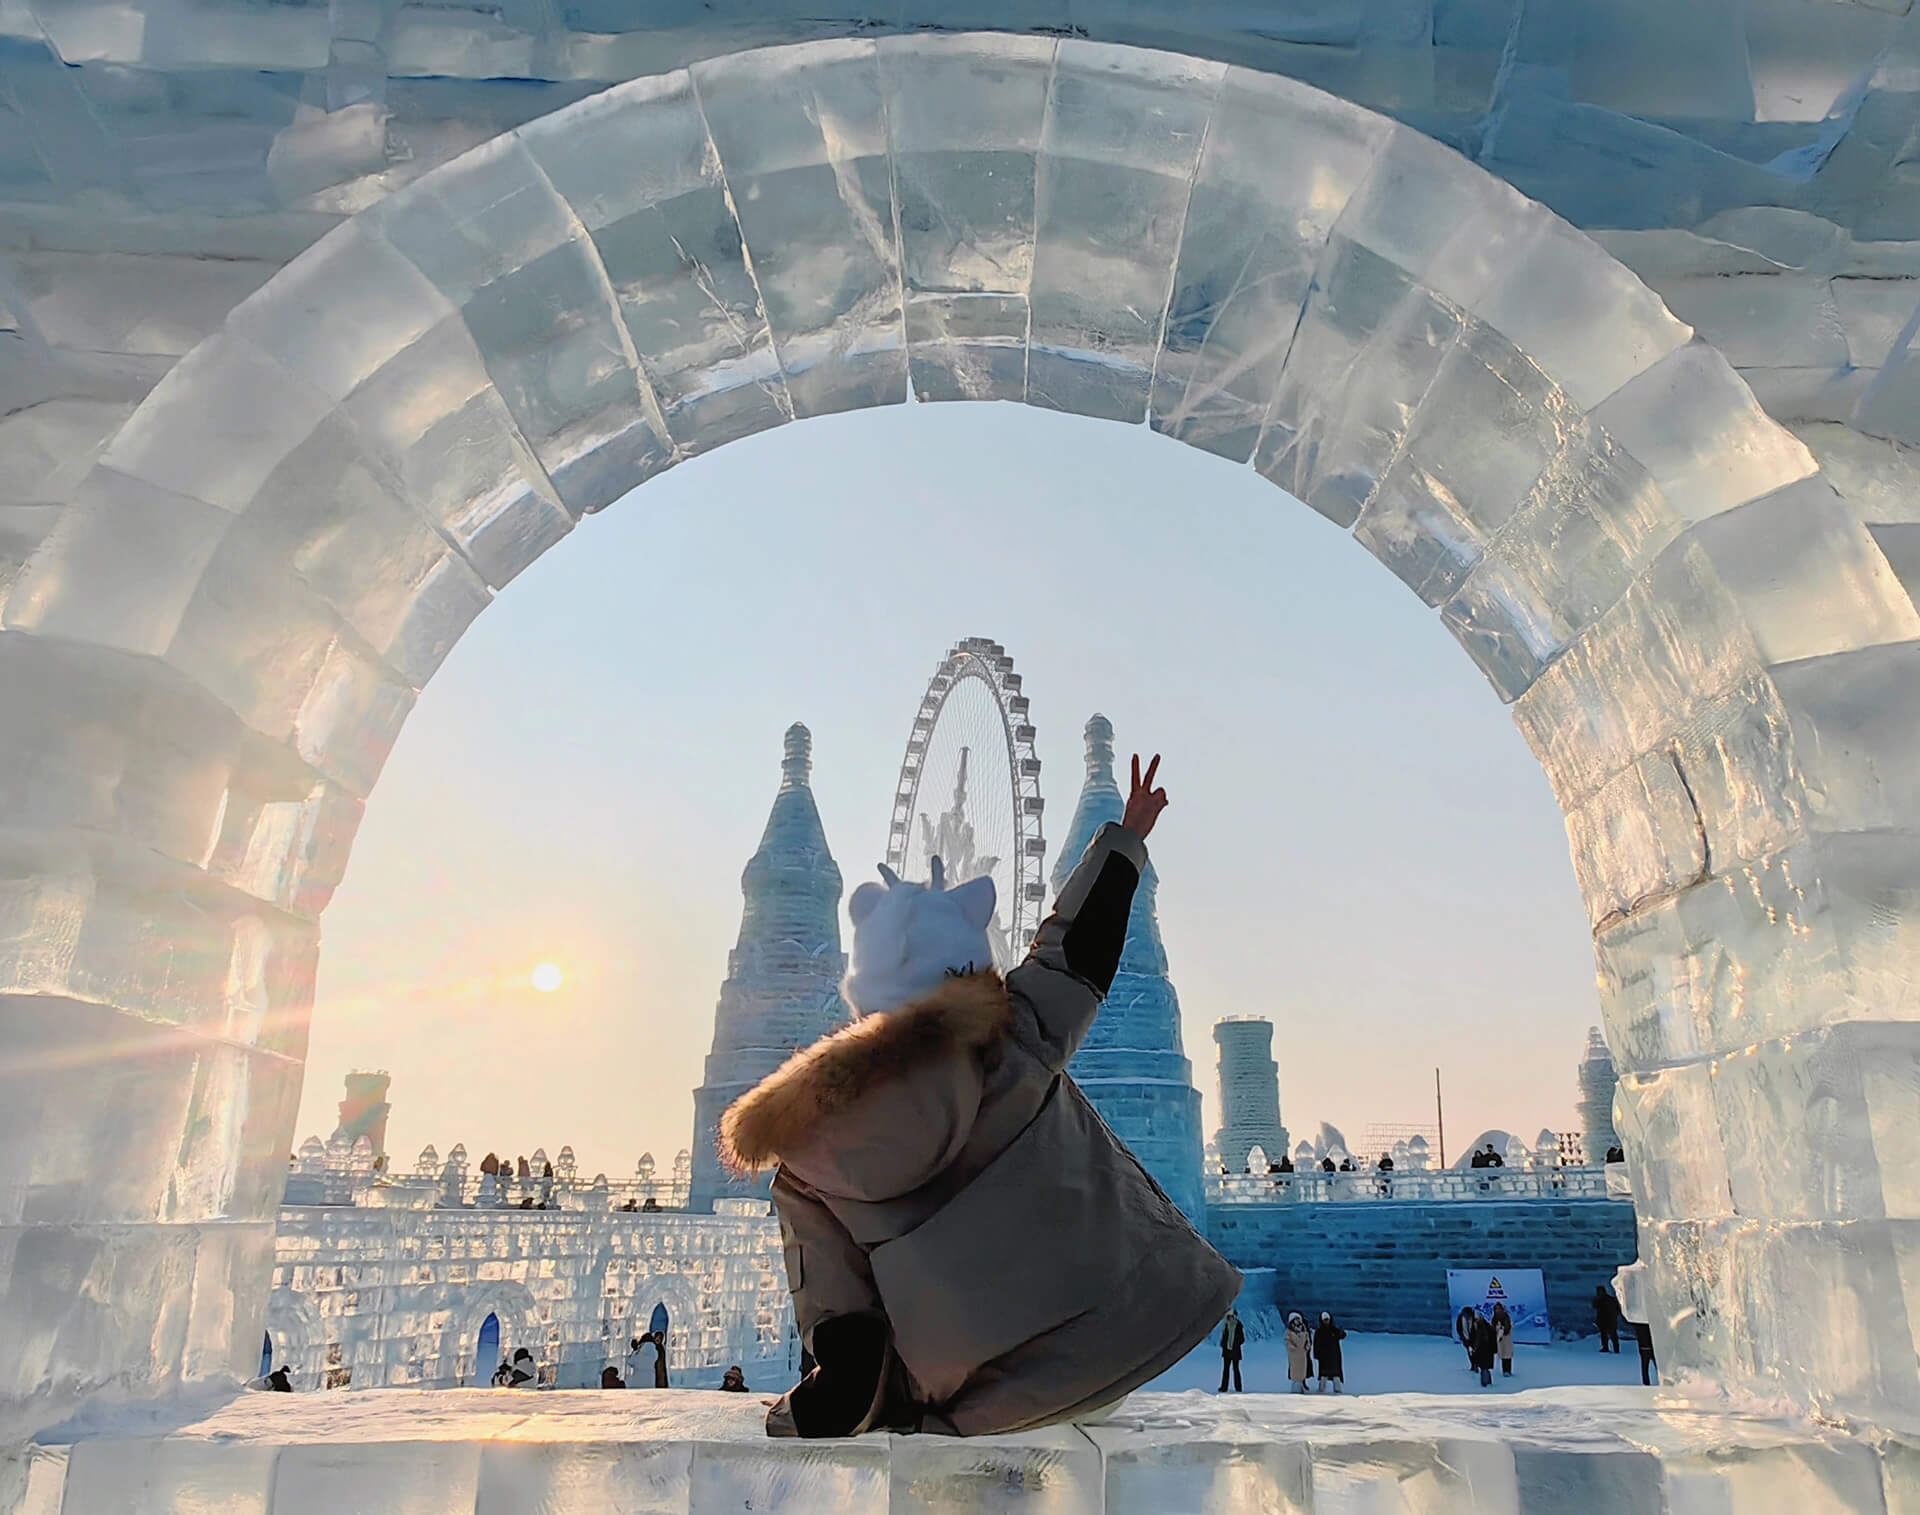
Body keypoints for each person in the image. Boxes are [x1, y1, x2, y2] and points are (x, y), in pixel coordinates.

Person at [719, 754, 1241, 1439]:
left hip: (981, 1397)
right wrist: (1124, 843)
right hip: (1114, 1333)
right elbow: (1075, 953)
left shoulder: (806, 1168)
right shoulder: (1013, 1035)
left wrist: (796, 1416)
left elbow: (849, 1344)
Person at [1313, 1312, 1345, 1393]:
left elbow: (1342, 1335)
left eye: (1327, 1319)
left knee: (1336, 1374)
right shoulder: (1319, 1331)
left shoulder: (1334, 1330)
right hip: (1324, 1356)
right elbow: (1316, 1343)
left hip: (1334, 1356)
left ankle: (1337, 1389)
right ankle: (1321, 1389)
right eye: (1325, 1320)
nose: (1326, 1321)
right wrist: (1316, 1354)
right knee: (1324, 1374)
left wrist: (1341, 1332)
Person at [1217, 1307, 1245, 1393]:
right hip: (1227, 1351)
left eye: (1229, 1316)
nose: (1228, 1318)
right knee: (1226, 1369)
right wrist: (1223, 1345)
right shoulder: (1226, 1325)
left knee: (1235, 1369)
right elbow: (1224, 1337)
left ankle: (1238, 1387)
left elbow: (1242, 1339)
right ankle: (1224, 1387)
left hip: (1235, 1351)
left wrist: (1235, 1344)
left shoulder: (1238, 1325)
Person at [1284, 1313, 1313, 1394]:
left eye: (1298, 1319)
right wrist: (1292, 1347)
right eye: (1296, 1320)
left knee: (1302, 1371)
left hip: (1302, 1354)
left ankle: (1302, 1387)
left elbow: (1308, 1340)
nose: (1298, 1321)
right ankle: (1295, 1390)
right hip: (1294, 1355)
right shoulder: (1289, 1331)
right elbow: (1287, 1341)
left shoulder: (1304, 1329)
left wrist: (1307, 1347)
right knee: (1295, 1373)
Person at [1468, 1312, 1498, 1387]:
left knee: (1483, 1367)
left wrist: (1474, 1348)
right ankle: (1488, 1382)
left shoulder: (1478, 1327)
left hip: (1482, 1350)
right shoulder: (1488, 1326)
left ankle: (1485, 1383)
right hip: (1487, 1350)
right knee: (1485, 1367)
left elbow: (1477, 1340)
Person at [1593, 1286, 1622, 1353]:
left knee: (1611, 1335)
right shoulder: (1609, 1299)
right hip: (1607, 1320)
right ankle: (1609, 1348)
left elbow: (1595, 1305)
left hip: (1608, 1319)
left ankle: (1612, 1349)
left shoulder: (1604, 1300)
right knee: (1606, 1335)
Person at [1631, 1318, 1657, 1385]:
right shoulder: (1651, 1324)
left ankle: (1646, 1384)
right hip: (1652, 1347)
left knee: (1644, 1368)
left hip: (1643, 1348)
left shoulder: (1639, 1326)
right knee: (1658, 1367)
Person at [1491, 1302, 1514, 1377]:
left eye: (1499, 1308)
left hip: (1506, 1338)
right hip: (1499, 1339)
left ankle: (1508, 1370)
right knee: (1503, 1354)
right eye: (1496, 1309)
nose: (1497, 1310)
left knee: (1507, 1354)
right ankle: (1504, 1370)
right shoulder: (1494, 1318)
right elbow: (1492, 1327)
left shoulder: (1505, 1316)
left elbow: (1508, 1327)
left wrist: (1503, 1329)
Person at [1455, 1305, 1478, 1369]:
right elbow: (1459, 1327)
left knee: (1475, 1351)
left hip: (1474, 1338)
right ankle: (1473, 1365)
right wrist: (1461, 1336)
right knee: (1469, 1352)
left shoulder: (1474, 1318)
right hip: (1465, 1337)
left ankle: (1476, 1364)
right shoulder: (1460, 1318)